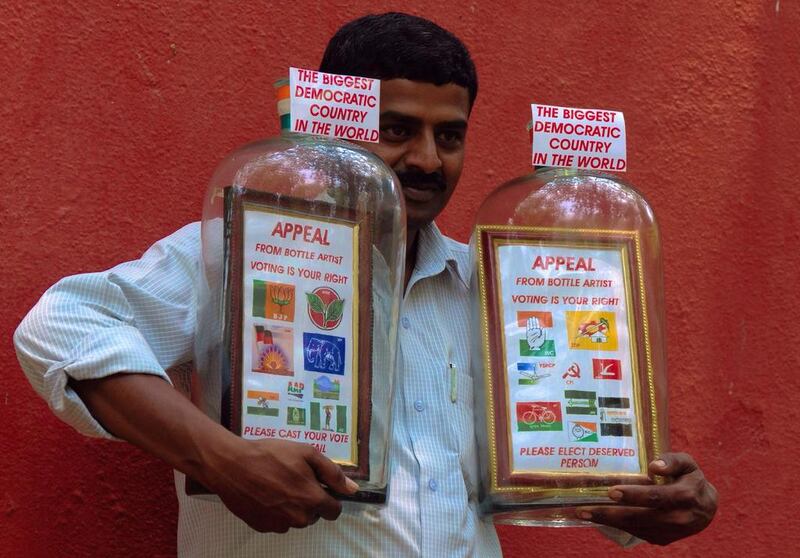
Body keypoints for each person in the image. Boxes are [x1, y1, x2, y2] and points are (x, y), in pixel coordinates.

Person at [14, 12, 717, 557]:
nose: (425, 160)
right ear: (337, 123)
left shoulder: (502, 291)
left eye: (450, 136)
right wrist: (222, 459)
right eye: (396, 130)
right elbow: (62, 327)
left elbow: (566, 461)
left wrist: (656, 504)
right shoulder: (244, 257)